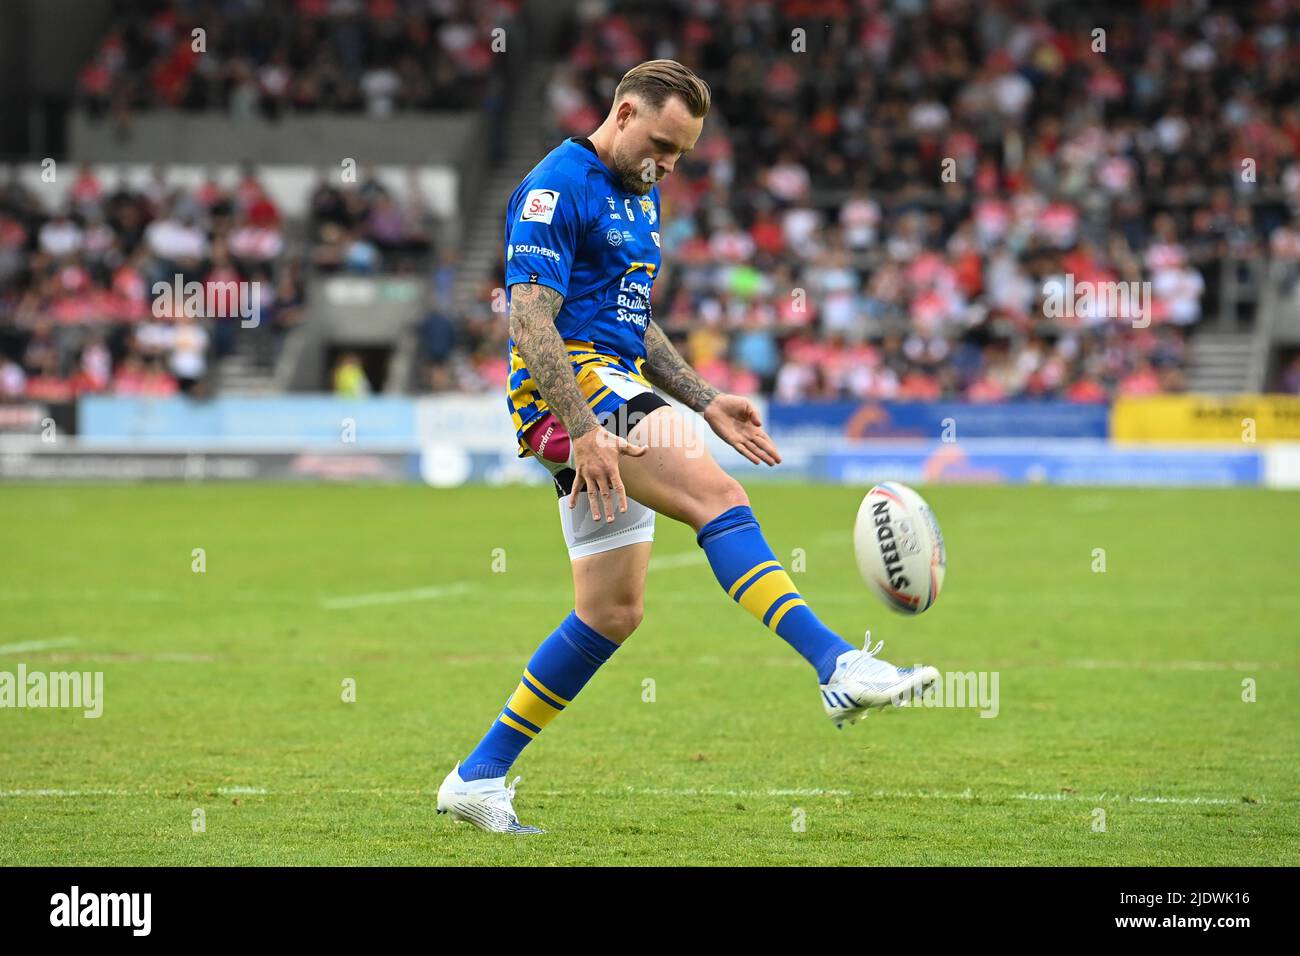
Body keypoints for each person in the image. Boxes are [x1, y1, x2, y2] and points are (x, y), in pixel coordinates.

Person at [437, 60, 939, 834]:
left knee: (610, 612)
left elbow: (633, 323)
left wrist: (704, 400)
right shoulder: (552, 188)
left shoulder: (642, 195)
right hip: (568, 389)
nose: (668, 164)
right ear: (625, 110)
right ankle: (838, 665)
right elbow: (530, 323)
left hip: (607, 380)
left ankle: (478, 776)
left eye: (682, 153)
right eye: (663, 144)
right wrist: (581, 431)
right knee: (720, 499)